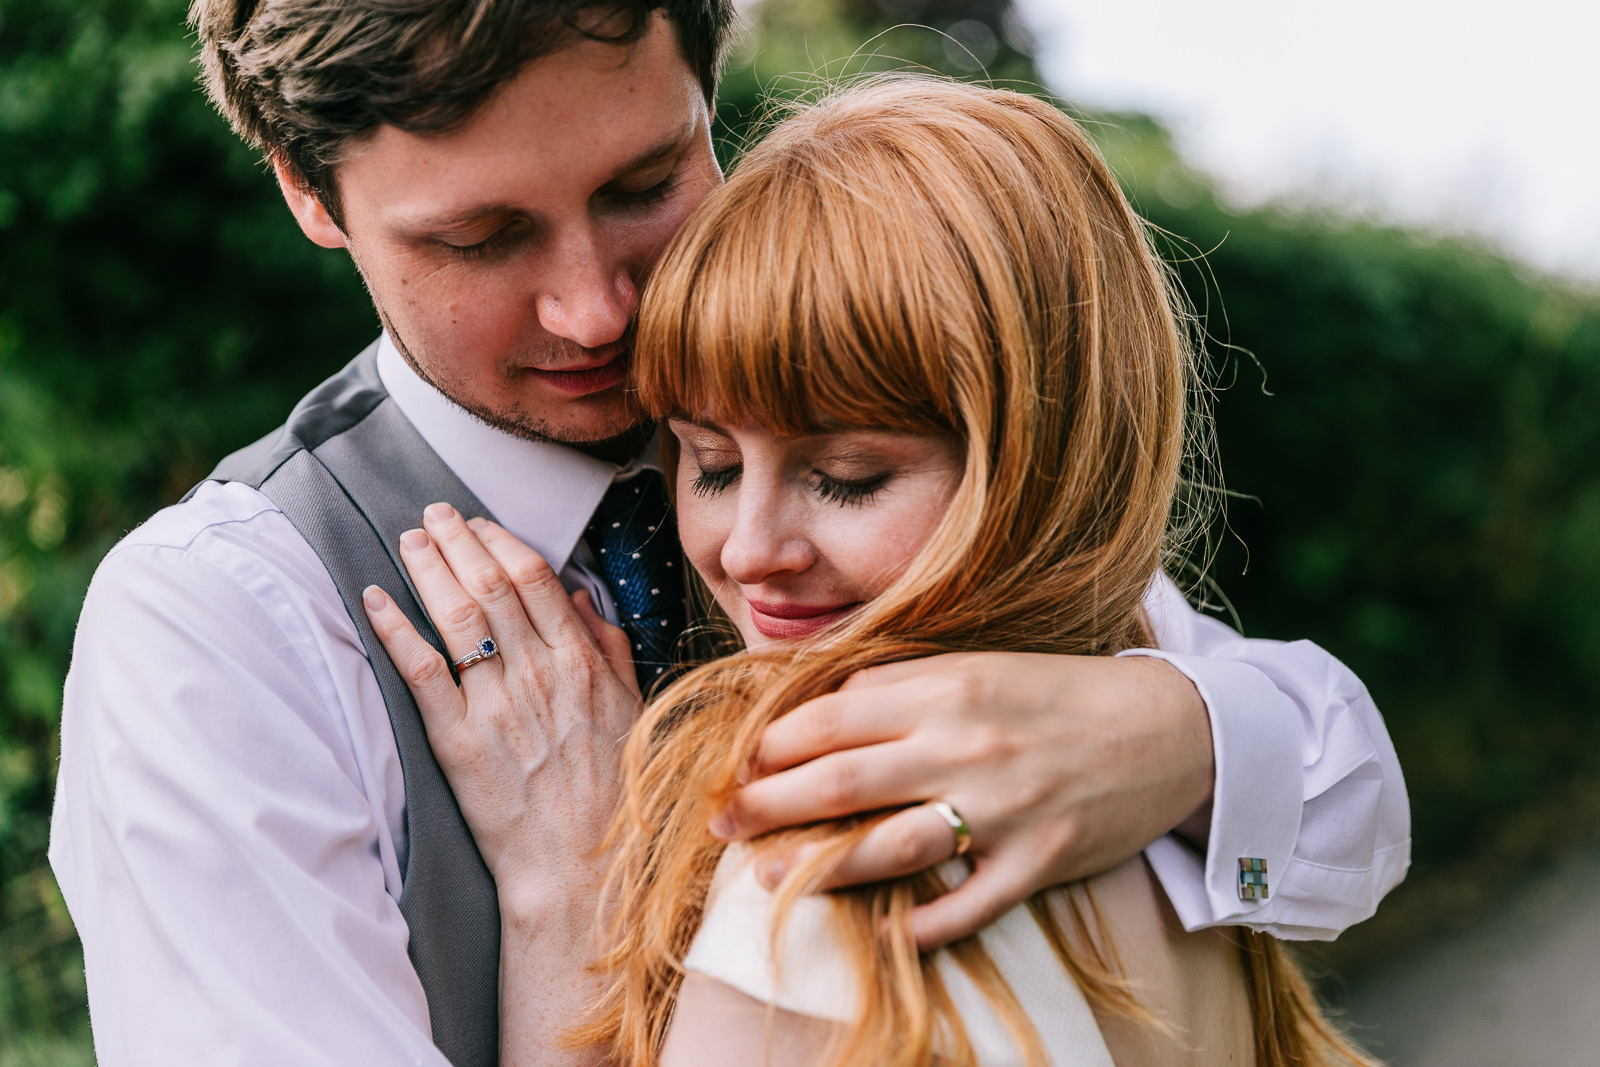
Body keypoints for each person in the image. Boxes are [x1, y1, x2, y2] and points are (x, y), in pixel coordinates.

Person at [47, 2, 1407, 1064]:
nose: (597, 313)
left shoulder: (843, 406)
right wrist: (574, 901)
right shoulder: (220, 625)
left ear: (709, 86)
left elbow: (1350, 810)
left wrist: (1172, 739)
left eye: (644, 183)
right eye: (482, 238)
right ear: (308, 193)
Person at [365, 76, 1383, 1067]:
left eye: (847, 477)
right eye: (709, 464)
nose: (751, 548)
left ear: (1037, 455)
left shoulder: (832, 868)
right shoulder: (1175, 830)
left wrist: (565, 890)